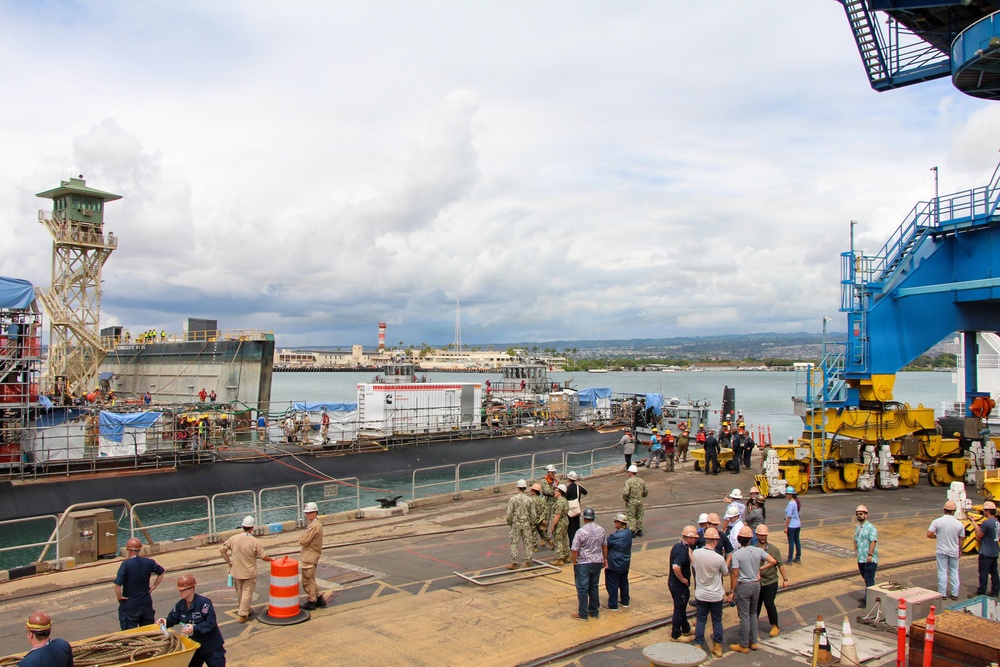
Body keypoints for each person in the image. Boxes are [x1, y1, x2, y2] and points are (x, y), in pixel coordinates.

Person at [158, 574, 226, 667]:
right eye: (179, 590)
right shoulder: (180, 605)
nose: (180, 593)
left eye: (183, 590)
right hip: (195, 646)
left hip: (211, 646)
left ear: (191, 589)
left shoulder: (204, 603)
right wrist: (165, 621)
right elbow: (174, 617)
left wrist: (194, 628)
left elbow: (210, 623)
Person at [728, 525, 777, 654]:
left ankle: (743, 644)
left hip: (744, 585)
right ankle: (753, 641)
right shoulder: (758, 551)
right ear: (750, 538)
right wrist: (759, 570)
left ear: (739, 539)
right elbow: (773, 561)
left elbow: (735, 574)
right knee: (753, 614)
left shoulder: (737, 554)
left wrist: (732, 590)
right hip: (756, 584)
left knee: (744, 616)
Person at [219, 515, 273, 622]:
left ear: (243, 526)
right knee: (247, 592)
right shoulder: (255, 541)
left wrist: (229, 562)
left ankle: (245, 608)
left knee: (239, 592)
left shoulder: (233, 538)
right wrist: (272, 560)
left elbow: (222, 550)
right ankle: (243, 613)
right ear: (252, 527)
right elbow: (263, 557)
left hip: (235, 570)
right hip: (249, 571)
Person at [691, 527, 728, 659]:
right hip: (716, 594)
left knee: (701, 619)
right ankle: (717, 646)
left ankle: (698, 644)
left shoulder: (696, 553)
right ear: (716, 541)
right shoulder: (719, 558)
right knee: (717, 620)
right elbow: (725, 572)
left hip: (701, 593)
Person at [114, 537, 165, 629]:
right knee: (147, 631)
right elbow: (161, 572)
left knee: (129, 634)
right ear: (139, 549)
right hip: (146, 602)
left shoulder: (126, 564)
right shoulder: (149, 562)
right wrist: (154, 586)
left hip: (130, 604)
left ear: (129, 551)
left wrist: (119, 597)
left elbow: (117, 585)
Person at [570, 508, 608, 620]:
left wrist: (575, 563)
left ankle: (583, 613)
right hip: (597, 562)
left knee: (582, 588)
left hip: (584, 563)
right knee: (594, 587)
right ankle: (594, 611)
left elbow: (574, 549)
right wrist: (604, 558)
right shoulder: (601, 530)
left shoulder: (581, 532)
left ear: (584, 518)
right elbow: (605, 546)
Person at [755, 524, 789, 637]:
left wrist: (785, 579)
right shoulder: (753, 549)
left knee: (769, 603)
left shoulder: (773, 549)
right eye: (761, 535)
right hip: (757, 582)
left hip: (771, 581)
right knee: (756, 604)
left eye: (765, 535)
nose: (763, 537)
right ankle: (752, 625)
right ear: (757, 536)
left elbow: (780, 564)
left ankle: (775, 625)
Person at [927, 499, 965, 600]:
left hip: (941, 551)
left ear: (944, 510)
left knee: (942, 571)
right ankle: (954, 594)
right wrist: (960, 550)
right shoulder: (959, 524)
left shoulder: (937, 521)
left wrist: (937, 537)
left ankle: (942, 594)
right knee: (954, 571)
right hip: (953, 551)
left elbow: (929, 534)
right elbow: (961, 539)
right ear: (954, 511)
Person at [668, 525, 699, 641]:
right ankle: (675, 634)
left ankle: (685, 628)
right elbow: (676, 567)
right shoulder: (682, 552)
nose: (695, 540)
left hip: (673, 582)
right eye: (694, 538)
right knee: (679, 609)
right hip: (679, 585)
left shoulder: (678, 546)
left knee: (682, 607)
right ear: (689, 538)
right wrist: (683, 579)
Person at [299, 502, 326, 609]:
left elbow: (304, 541)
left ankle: (311, 601)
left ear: (315, 513)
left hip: (309, 556)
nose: (307, 515)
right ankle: (320, 598)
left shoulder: (314, 526)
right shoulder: (316, 524)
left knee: (307, 580)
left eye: (309, 513)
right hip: (312, 555)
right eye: (306, 513)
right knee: (311, 579)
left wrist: (301, 539)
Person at [971, 500, 1000, 597]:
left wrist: (976, 528)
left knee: (983, 573)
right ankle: (995, 592)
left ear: (987, 511)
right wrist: (974, 522)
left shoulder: (986, 523)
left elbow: (979, 535)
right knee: (994, 573)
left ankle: (981, 592)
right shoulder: (997, 522)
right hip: (995, 551)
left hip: (986, 553)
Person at [506, 479, 537, 569]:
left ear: (517, 487)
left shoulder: (513, 499)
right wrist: (531, 523)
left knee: (514, 543)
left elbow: (508, 515)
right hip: (527, 524)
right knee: (527, 543)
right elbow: (534, 515)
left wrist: (510, 523)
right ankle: (528, 562)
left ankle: (514, 563)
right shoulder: (530, 500)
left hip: (516, 524)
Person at [605, 512, 632, 610]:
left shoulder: (617, 536)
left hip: (615, 564)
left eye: (615, 521)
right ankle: (625, 601)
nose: (614, 523)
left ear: (620, 523)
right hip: (625, 563)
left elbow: (606, 542)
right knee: (624, 582)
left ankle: (613, 604)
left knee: (612, 583)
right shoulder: (628, 532)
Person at [854, 504, 878, 608]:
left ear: (866, 515)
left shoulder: (871, 528)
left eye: (861, 514)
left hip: (869, 559)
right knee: (866, 578)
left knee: (869, 579)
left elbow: (873, 541)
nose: (859, 516)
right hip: (861, 558)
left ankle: (869, 600)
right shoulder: (858, 527)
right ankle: (868, 596)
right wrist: (856, 551)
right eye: (857, 514)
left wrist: (870, 555)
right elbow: (855, 539)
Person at [622, 464, 648, 537]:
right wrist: (641, 496)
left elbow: (625, 492)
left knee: (631, 516)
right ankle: (639, 530)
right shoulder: (641, 481)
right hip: (639, 501)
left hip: (631, 501)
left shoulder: (628, 482)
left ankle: (632, 531)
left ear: (630, 472)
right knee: (639, 515)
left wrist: (626, 499)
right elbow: (646, 491)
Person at [549, 484, 571, 566]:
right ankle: (566, 555)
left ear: (560, 492)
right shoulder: (565, 500)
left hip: (559, 522)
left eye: (556, 490)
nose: (555, 492)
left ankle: (560, 559)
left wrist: (553, 525)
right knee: (564, 538)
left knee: (558, 540)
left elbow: (557, 515)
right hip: (565, 521)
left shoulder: (559, 502)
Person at [565, 471, 588, 545]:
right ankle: (580, 541)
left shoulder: (567, 488)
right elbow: (585, 492)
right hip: (577, 508)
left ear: (569, 478)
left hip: (570, 510)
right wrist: (580, 485)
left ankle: (573, 543)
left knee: (571, 528)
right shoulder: (578, 487)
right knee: (577, 526)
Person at [530, 483, 552, 550]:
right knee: (541, 531)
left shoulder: (532, 500)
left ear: (534, 491)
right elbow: (546, 510)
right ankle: (550, 541)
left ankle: (535, 547)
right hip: (541, 518)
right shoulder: (542, 500)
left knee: (533, 532)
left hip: (534, 519)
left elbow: (532, 511)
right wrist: (542, 518)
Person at [784, 486, 801, 564]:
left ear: (790, 495)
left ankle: (789, 559)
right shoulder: (796, 502)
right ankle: (798, 558)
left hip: (792, 526)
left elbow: (789, 516)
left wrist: (786, 527)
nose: (786, 495)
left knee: (791, 542)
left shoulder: (791, 503)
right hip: (797, 525)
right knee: (797, 541)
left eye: (787, 494)